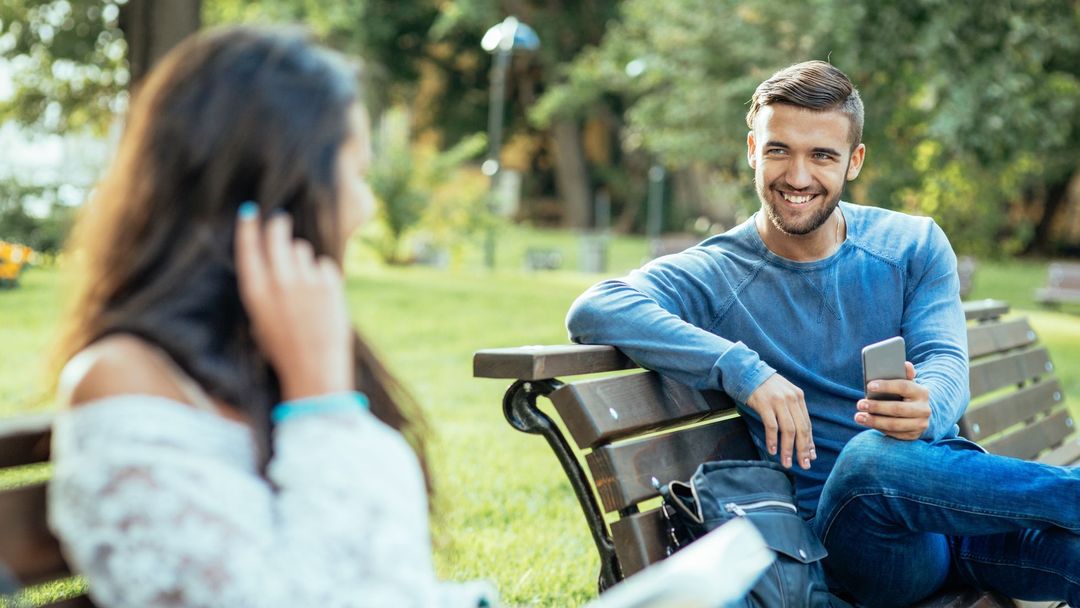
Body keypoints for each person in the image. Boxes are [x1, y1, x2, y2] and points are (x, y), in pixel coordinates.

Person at [566, 60, 1080, 606]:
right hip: (860, 551)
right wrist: (743, 369)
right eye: (779, 150)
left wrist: (928, 407)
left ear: (854, 161)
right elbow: (596, 307)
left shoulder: (912, 246)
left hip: (952, 519)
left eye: (823, 155)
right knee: (868, 461)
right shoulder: (718, 274)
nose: (798, 176)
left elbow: (945, 361)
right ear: (751, 150)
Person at [47, 26, 496, 608]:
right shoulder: (122, 378)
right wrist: (321, 402)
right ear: (277, 193)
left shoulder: (269, 352)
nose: (363, 209)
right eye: (355, 175)